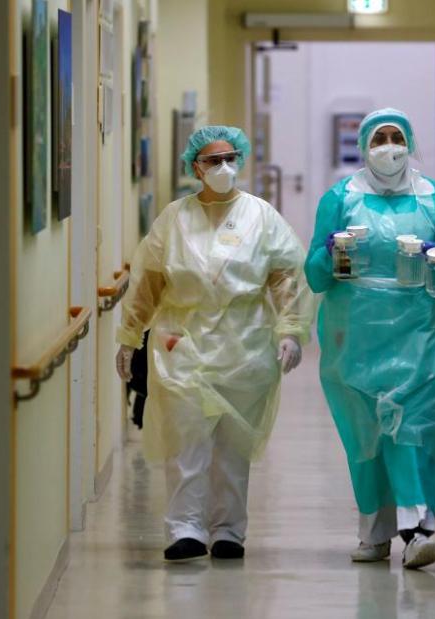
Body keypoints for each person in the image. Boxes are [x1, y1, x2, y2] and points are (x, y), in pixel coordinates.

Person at [115, 125, 315, 563]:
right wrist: (129, 337)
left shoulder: (261, 216)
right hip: (181, 342)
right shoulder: (174, 219)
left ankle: (228, 531)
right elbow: (148, 283)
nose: (223, 167)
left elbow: (286, 276)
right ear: (195, 168)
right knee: (186, 441)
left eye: (229, 159)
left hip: (244, 343)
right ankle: (185, 529)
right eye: (212, 161)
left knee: (232, 446)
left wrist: (290, 330)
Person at [304, 108, 435, 569]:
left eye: (397, 137)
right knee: (366, 434)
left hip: (420, 332)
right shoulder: (340, 198)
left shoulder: (431, 196)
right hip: (356, 335)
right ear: (364, 147)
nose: (389, 148)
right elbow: (315, 276)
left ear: (411, 143)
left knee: (413, 428)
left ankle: (419, 530)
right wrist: (332, 253)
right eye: (379, 139)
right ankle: (374, 532)